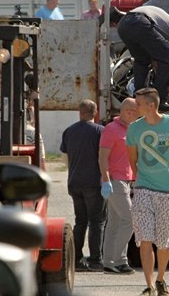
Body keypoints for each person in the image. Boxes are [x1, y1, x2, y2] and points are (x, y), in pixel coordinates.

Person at [126, 87, 169, 296]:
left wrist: (167, 177)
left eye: (139, 104)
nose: (136, 108)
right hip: (143, 188)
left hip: (168, 191)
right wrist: (143, 179)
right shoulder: (134, 129)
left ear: (151, 105)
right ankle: (150, 284)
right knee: (144, 238)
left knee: (164, 239)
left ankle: (161, 279)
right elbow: (133, 162)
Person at [60, 99, 106, 272]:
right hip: (93, 183)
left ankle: (77, 259)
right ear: (95, 112)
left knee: (80, 221)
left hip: (74, 182)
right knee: (97, 222)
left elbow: (65, 157)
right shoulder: (100, 131)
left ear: (80, 112)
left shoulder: (69, 131)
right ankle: (95, 259)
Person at [116, 5, 169, 109]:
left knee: (142, 60)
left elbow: (156, 61)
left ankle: (137, 98)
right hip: (139, 22)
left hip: (123, 24)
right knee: (168, 55)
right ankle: (160, 101)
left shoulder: (163, 25)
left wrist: (166, 85)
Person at [99, 97, 138, 275]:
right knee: (130, 219)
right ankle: (120, 260)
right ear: (121, 111)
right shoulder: (111, 129)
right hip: (115, 180)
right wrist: (106, 180)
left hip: (125, 181)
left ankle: (108, 261)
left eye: (134, 111)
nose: (131, 113)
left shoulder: (133, 129)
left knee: (114, 222)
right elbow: (102, 157)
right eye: (128, 110)